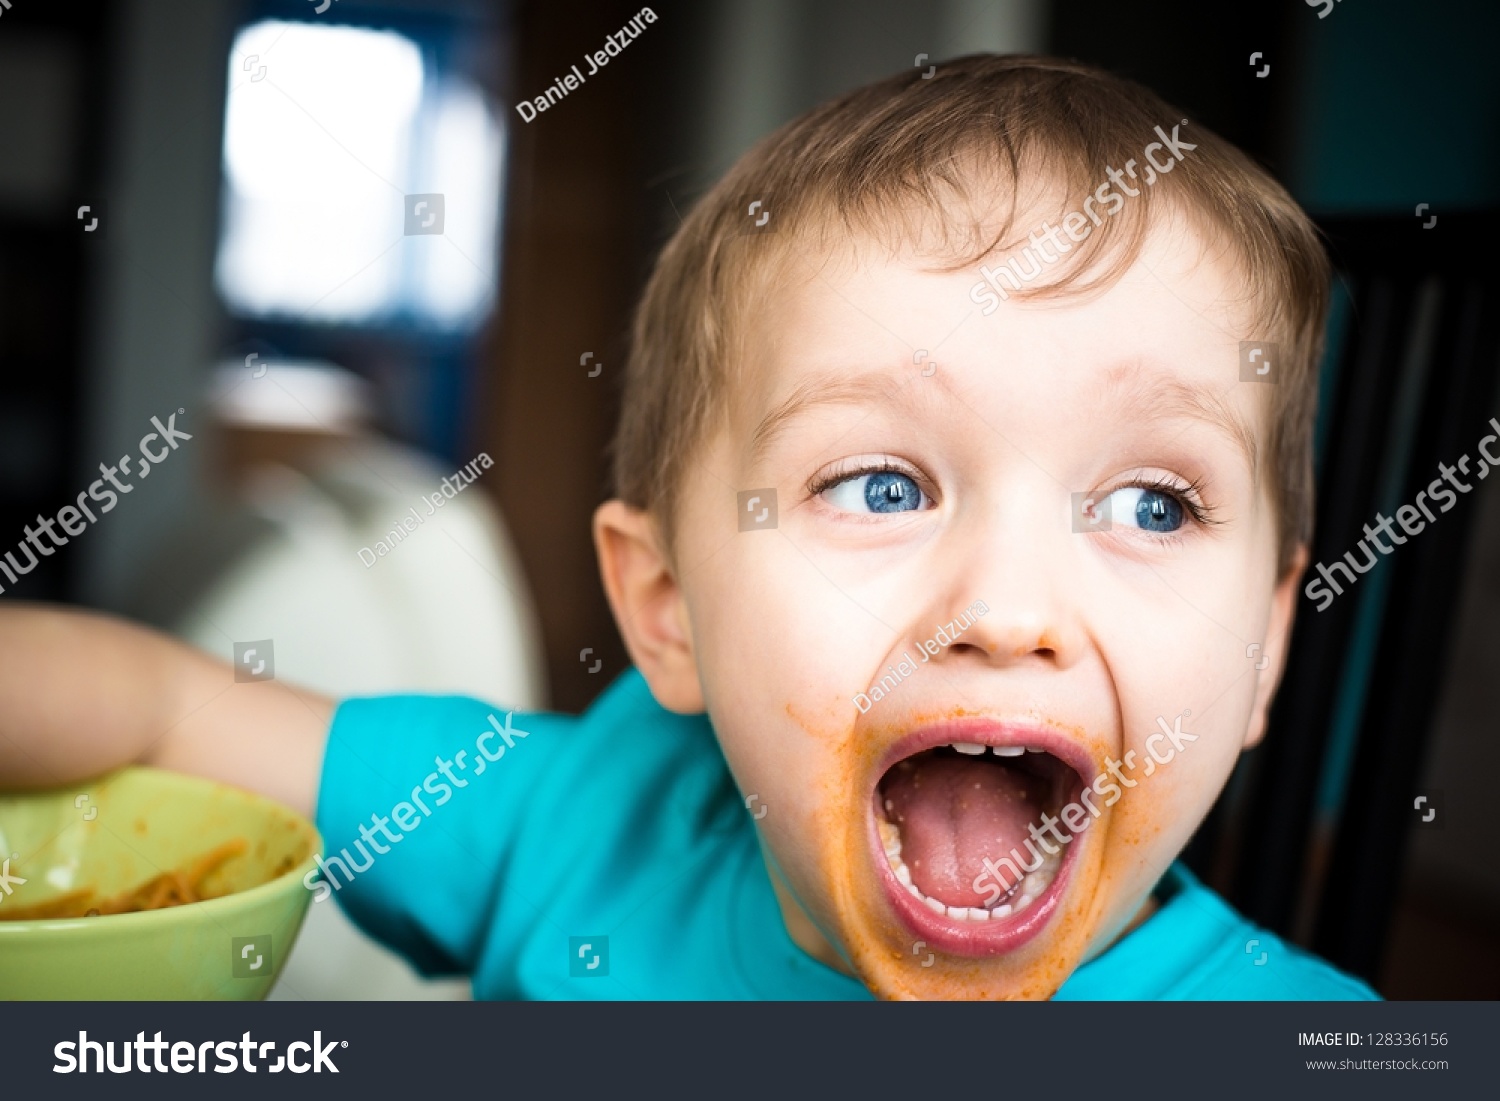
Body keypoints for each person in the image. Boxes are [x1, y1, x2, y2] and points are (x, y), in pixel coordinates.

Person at [0, 55, 1376, 1000]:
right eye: (883, 486)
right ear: (666, 608)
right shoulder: (570, 826)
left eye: (1152, 503)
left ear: (1261, 650)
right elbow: (164, 709)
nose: (1008, 606)